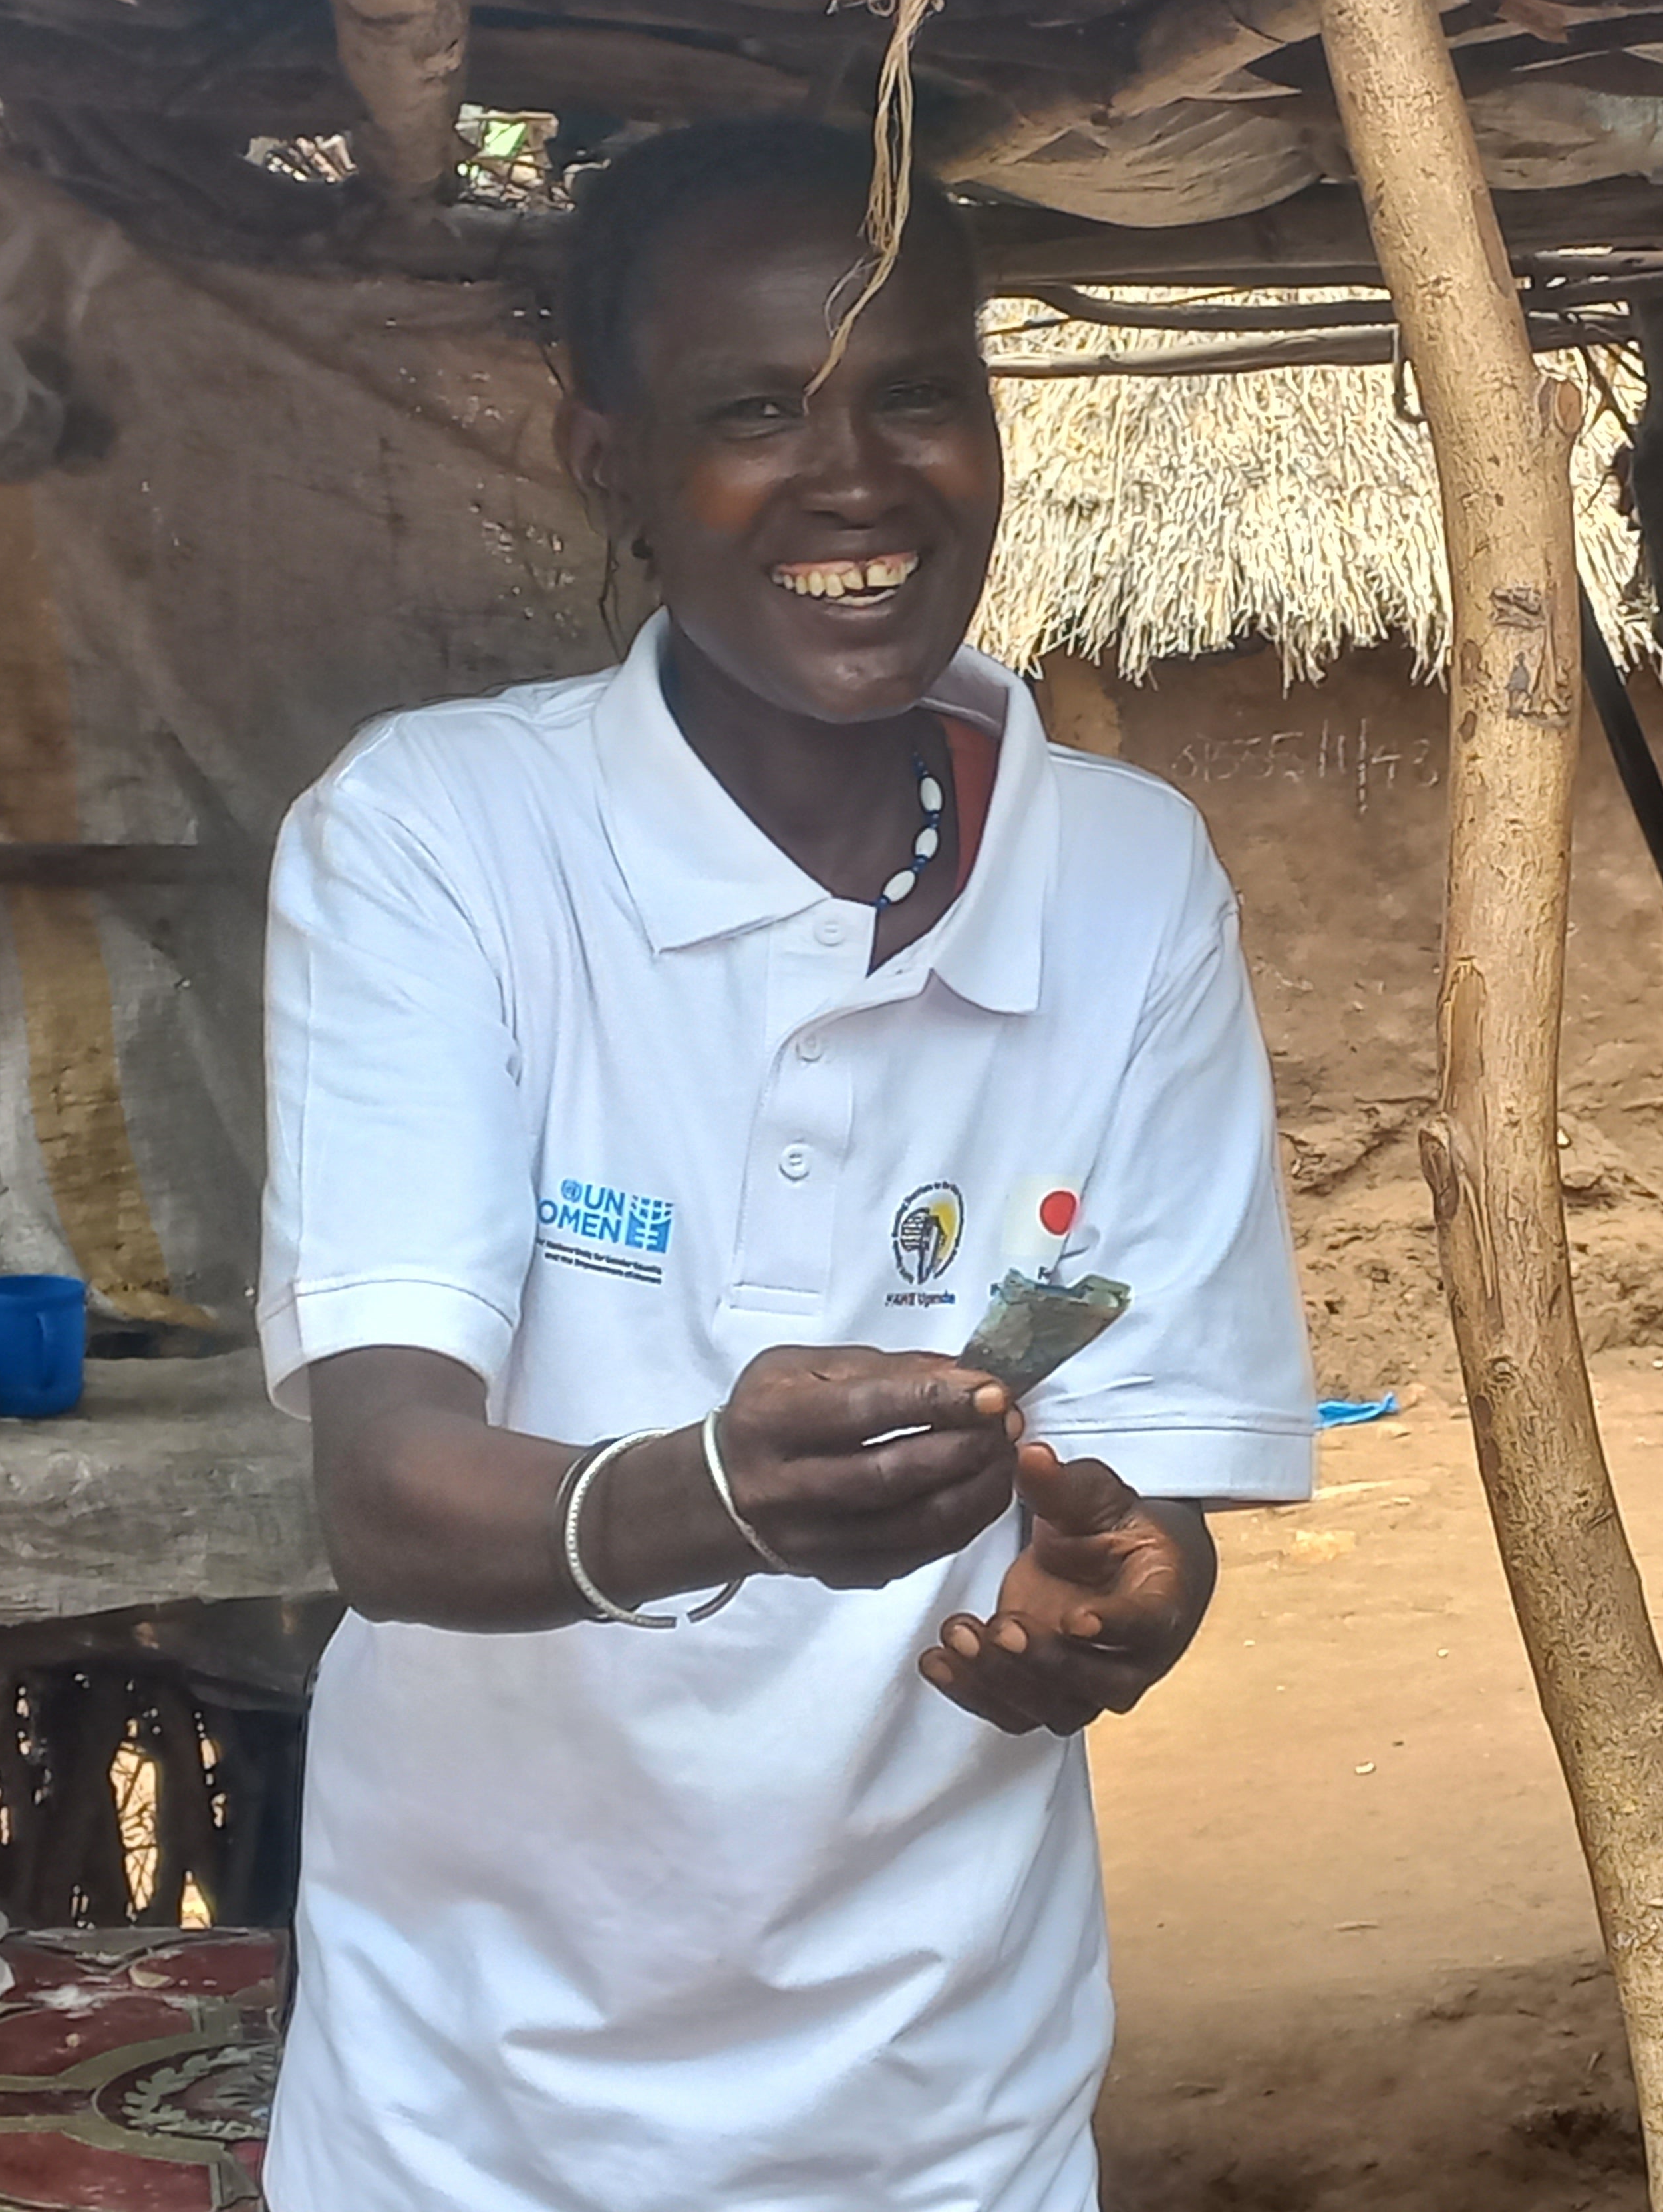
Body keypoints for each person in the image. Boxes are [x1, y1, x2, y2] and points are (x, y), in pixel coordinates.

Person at [256, 117, 1313, 2212]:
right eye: (754, 411)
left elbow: (1143, 1487)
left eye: (917, 392)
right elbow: (389, 1497)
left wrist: (1131, 1606)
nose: (854, 478)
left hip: (949, 2119)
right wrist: (713, 1497)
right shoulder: (441, 845)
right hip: (469, 2122)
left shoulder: (1123, 885)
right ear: (607, 461)